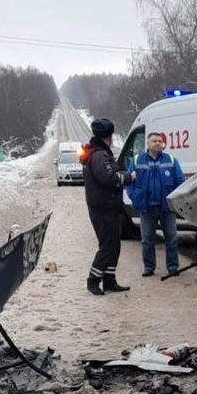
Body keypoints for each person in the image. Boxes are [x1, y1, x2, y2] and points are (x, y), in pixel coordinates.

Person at [80, 118, 135, 295]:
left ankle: (109, 280)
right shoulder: (99, 155)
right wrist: (128, 178)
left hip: (108, 207)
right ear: (108, 137)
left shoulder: (99, 153)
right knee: (108, 246)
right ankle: (93, 280)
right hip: (102, 209)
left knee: (114, 245)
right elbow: (109, 178)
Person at [126, 132, 185, 278]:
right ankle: (149, 267)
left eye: (160, 141)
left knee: (171, 238)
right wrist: (135, 198)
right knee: (147, 239)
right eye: (154, 141)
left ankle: (172, 267)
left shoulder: (171, 160)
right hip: (146, 208)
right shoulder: (137, 160)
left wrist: (175, 201)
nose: (158, 143)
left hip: (166, 208)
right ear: (148, 143)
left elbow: (180, 182)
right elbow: (129, 183)